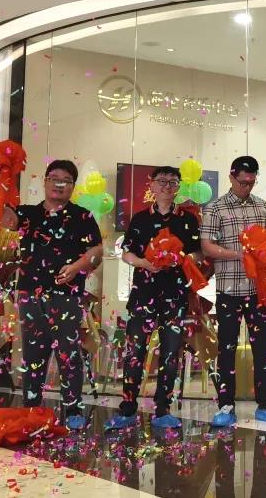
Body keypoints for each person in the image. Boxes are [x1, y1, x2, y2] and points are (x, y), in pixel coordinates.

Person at [0, 159, 103, 430]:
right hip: (30, 294)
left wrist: (76, 267)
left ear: (73, 186)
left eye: (66, 180)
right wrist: (0, 179)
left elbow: (96, 251)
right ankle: (32, 407)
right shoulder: (28, 214)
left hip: (66, 294)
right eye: (54, 178)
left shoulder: (82, 217)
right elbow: (3, 218)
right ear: (45, 181)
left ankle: (73, 409)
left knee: (68, 352)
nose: (59, 184)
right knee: (33, 352)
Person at [105, 166, 201, 430]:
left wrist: (180, 258)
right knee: (135, 352)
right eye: (162, 181)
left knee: (170, 354)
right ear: (152, 186)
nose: (167, 186)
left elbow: (198, 253)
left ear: (178, 187)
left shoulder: (188, 219)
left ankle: (163, 409)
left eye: (173, 182)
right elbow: (127, 253)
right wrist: (145, 263)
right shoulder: (139, 219)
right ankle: (127, 409)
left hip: (175, 295)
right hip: (143, 295)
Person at [201, 156, 266, 426]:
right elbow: (207, 246)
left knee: (262, 348)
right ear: (231, 177)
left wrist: (263, 251)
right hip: (228, 288)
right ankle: (226, 406)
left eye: (251, 182)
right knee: (226, 348)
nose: (247, 187)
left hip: (257, 288)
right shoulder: (215, 208)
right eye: (242, 182)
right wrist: (239, 254)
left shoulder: (262, 207)